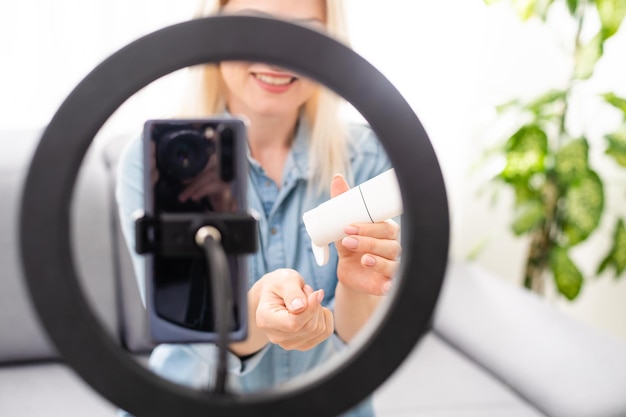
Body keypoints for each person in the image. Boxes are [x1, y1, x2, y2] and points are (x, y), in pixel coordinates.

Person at [115, 0, 401, 415]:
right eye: (253, 26)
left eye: (303, 33)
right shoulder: (155, 160)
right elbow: (189, 332)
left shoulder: (368, 156)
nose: (277, 54)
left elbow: (360, 338)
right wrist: (254, 315)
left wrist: (358, 285)